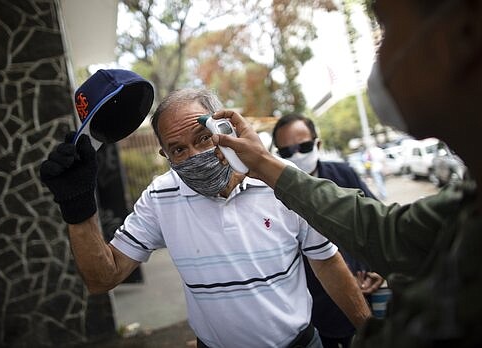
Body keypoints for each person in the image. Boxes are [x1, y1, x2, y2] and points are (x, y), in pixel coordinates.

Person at [211, 0, 482, 346]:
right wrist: (263, 164)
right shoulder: (467, 203)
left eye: (385, 28)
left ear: (463, 30)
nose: (381, 58)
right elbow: (388, 233)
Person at [40, 88, 371, 348]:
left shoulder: (281, 182)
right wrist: (78, 208)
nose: (194, 155)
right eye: (179, 149)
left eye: (202, 138)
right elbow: (102, 278)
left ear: (224, 128)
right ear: (165, 156)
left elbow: (327, 262)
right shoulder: (159, 198)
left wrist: (369, 332)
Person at [272, 114, 385, 348]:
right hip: (312, 313)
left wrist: (377, 268)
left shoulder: (343, 174)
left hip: (360, 296)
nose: (297, 155)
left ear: (318, 143)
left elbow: (375, 226)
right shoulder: (270, 192)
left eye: (303, 146)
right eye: (287, 152)